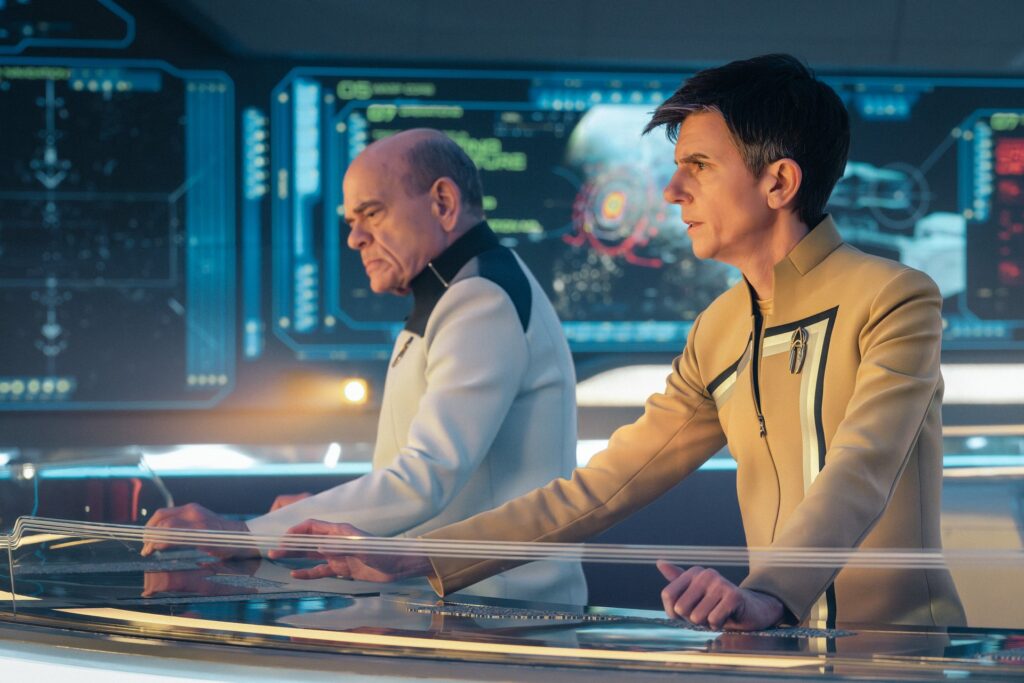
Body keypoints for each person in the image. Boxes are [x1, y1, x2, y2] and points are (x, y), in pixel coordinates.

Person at [276, 55, 966, 631]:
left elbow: (861, 467)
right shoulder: (719, 328)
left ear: (779, 181)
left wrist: (769, 592)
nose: (671, 191)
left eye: (699, 165)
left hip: (899, 656)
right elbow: (600, 487)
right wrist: (419, 555)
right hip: (777, 654)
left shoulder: (894, 297)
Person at [142, 128, 587, 605]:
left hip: (499, 615)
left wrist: (246, 534)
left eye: (371, 213)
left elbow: (426, 478)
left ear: (443, 203)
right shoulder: (469, 288)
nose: (355, 238)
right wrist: (323, 516)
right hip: (469, 605)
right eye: (351, 221)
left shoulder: (480, 299)